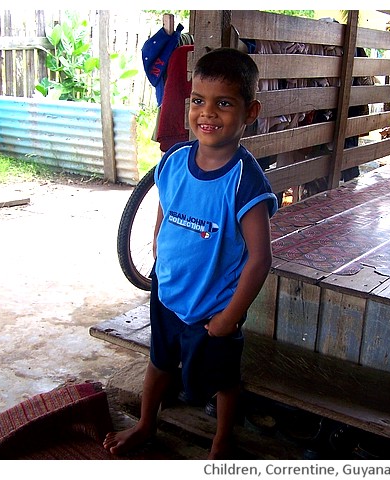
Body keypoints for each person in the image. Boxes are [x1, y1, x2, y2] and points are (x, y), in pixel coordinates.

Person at [104, 47, 278, 460]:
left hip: (212, 311)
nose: (207, 113)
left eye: (224, 103)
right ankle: (146, 425)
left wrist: (228, 318)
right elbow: (165, 201)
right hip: (168, 295)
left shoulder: (244, 182)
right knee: (159, 361)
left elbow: (260, 259)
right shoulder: (175, 160)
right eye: (199, 101)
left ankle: (221, 441)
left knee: (222, 380)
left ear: (249, 111)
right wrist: (159, 241)